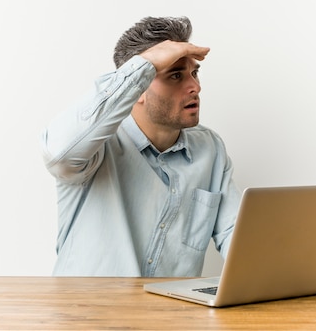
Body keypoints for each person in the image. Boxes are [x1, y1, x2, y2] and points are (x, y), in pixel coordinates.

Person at [40, 16, 241, 277]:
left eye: (194, 73)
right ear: (139, 89)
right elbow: (58, 154)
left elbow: (237, 236)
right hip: (89, 314)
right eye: (176, 75)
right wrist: (145, 65)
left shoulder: (210, 149)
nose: (195, 86)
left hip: (172, 314)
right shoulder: (95, 146)